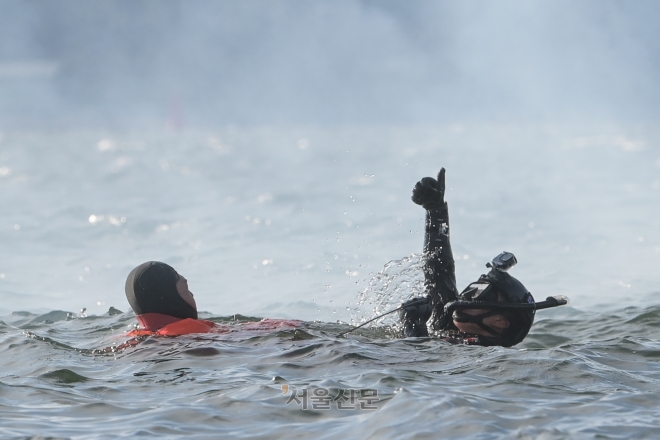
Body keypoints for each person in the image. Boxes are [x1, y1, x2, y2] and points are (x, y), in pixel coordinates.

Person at [398, 168, 565, 347]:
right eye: (476, 288)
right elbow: (439, 268)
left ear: (499, 322)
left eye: (483, 294)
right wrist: (435, 210)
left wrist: (412, 325)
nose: (468, 297)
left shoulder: (479, 357)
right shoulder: (452, 326)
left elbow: (420, 363)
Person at [124, 261, 299, 337]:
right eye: (185, 288)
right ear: (168, 296)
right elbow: (242, 338)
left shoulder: (131, 339)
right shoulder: (193, 330)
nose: (192, 295)